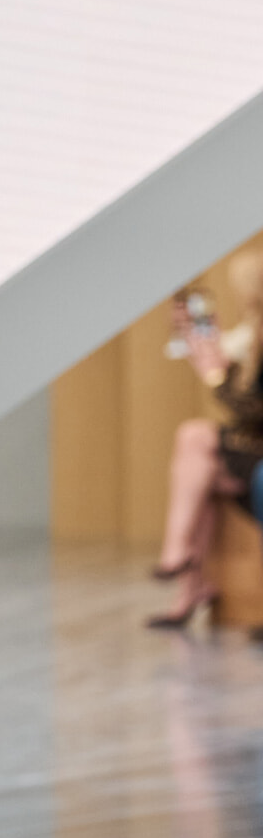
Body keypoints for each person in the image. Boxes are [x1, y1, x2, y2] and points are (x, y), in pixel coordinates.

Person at [150, 248, 263, 629]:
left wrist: (216, 375)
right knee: (196, 456)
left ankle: (181, 566)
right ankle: (187, 576)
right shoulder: (255, 330)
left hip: (257, 448)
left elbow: (253, 408)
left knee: (196, 448)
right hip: (251, 446)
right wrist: (206, 349)